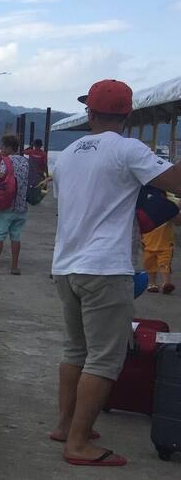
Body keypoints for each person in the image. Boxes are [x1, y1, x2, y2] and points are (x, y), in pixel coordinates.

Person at [51, 78, 181, 467]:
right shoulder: (128, 149)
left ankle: (64, 425)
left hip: (65, 266)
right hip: (105, 268)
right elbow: (175, 182)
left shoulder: (69, 152)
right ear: (126, 114)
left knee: (75, 350)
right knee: (105, 360)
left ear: (90, 112)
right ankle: (77, 445)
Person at [0, 134, 30, 275]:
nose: (1, 149)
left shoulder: (6, 161)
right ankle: (14, 267)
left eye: (3, 146)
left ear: (9, 147)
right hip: (21, 206)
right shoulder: (25, 161)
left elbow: (1, 178)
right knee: (16, 236)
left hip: (7, 205)